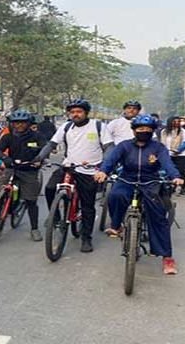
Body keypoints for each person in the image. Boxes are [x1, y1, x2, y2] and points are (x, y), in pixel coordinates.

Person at [94, 115, 184, 275]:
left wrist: (175, 176)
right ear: (134, 130)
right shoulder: (124, 146)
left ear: (152, 131)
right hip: (127, 179)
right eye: (140, 128)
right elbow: (111, 160)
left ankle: (167, 257)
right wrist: (103, 171)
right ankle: (116, 226)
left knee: (158, 218)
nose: (144, 131)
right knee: (115, 196)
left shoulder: (158, 147)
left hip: (150, 182)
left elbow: (167, 163)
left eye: (147, 129)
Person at [36, 99, 113, 253]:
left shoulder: (98, 126)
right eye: (72, 112)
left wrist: (103, 166)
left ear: (86, 113)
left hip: (89, 170)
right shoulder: (66, 127)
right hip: (68, 166)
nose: (75, 114)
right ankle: (55, 217)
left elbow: (109, 147)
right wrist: (39, 158)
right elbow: (51, 144)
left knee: (87, 206)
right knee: (50, 188)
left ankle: (86, 238)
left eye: (79, 111)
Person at [0, 110, 46, 241]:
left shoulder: (37, 136)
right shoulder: (8, 137)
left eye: (22, 122)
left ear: (29, 123)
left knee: (31, 200)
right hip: (11, 169)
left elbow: (45, 150)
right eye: (16, 123)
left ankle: (34, 229)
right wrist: (5, 158)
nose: (19, 125)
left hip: (29, 171)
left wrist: (39, 160)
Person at [161, 116, 185, 195]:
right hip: (167, 154)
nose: (177, 123)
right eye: (174, 121)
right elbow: (162, 143)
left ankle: (182, 188)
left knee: (180, 171)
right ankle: (170, 187)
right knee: (167, 171)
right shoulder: (164, 131)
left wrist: (178, 150)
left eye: (178, 121)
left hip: (180, 155)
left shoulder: (183, 131)